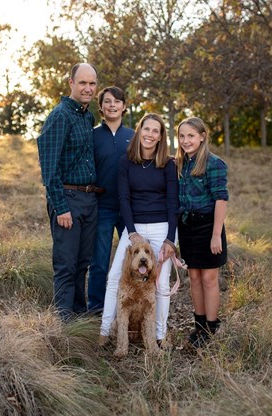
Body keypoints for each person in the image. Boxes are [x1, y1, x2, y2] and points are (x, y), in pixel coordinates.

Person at [100, 113, 179, 347]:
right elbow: (124, 198)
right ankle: (105, 332)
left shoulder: (168, 163)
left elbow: (173, 203)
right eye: (147, 129)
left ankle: (159, 336)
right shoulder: (126, 161)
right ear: (139, 130)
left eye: (156, 131)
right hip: (133, 228)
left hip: (161, 227)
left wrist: (170, 240)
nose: (150, 135)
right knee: (115, 276)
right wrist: (131, 232)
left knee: (161, 283)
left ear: (161, 136)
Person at [37, 63, 100, 320]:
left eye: (92, 84)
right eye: (83, 83)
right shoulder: (60, 115)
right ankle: (63, 326)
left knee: (82, 264)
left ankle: (78, 317)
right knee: (66, 265)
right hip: (68, 200)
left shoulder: (87, 116)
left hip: (89, 199)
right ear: (71, 83)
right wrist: (61, 207)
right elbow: (49, 170)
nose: (88, 88)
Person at [175, 116, 228, 348]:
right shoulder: (179, 163)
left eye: (191, 136)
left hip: (208, 226)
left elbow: (221, 200)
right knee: (193, 277)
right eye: (182, 136)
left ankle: (212, 326)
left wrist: (216, 235)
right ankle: (200, 326)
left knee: (208, 278)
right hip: (187, 226)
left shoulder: (214, 163)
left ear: (202, 136)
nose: (186, 140)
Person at [87, 86, 135, 313]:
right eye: (107, 101)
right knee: (99, 262)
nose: (112, 105)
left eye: (117, 101)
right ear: (101, 107)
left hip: (130, 209)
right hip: (103, 207)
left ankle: (131, 307)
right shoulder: (93, 136)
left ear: (124, 106)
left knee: (133, 261)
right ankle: (96, 309)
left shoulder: (133, 137)